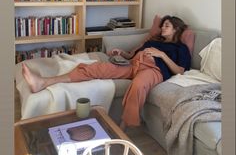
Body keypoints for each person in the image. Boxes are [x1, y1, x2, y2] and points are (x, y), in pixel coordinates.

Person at [22, 15, 191, 130]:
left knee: (138, 85)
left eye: (167, 26)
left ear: (176, 29)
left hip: (154, 70)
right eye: (162, 25)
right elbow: (131, 54)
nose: (162, 28)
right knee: (96, 67)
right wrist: (121, 53)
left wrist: (161, 55)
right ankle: (44, 82)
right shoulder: (154, 40)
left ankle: (125, 127)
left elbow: (180, 70)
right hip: (134, 64)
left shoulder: (180, 48)